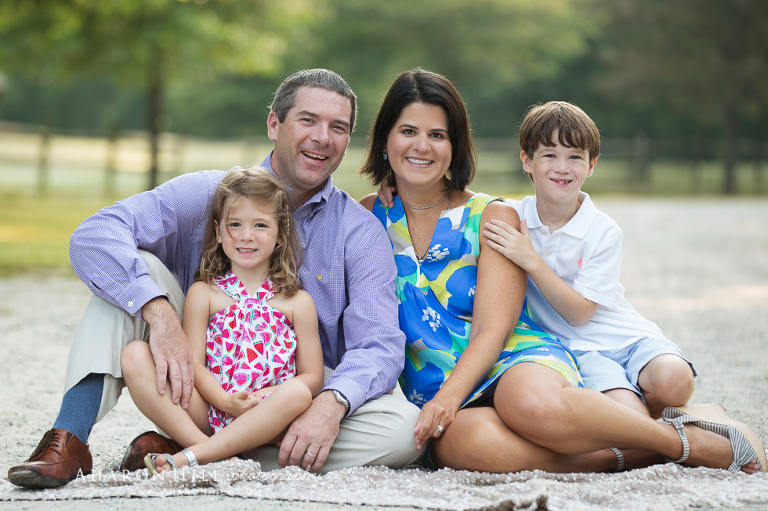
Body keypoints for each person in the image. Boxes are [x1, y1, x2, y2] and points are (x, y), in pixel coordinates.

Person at [8, 69, 422, 489]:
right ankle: (70, 437)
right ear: (274, 124)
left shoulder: (359, 231)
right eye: (308, 120)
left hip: (295, 397)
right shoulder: (208, 193)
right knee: (133, 275)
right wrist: (160, 314)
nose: (322, 138)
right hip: (204, 382)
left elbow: (379, 344)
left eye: (338, 127)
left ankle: (195, 450)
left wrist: (332, 405)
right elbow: (96, 235)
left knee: (404, 431)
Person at [364, 68, 764, 474]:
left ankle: (684, 445)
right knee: (472, 448)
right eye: (408, 131)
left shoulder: (492, 215)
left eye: (437, 135)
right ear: (385, 139)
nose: (422, 146)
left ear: (455, 146)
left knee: (529, 404)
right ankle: (635, 453)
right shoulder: (365, 217)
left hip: (509, 359)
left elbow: (493, 329)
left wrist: (450, 398)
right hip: (432, 384)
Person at [482, 101, 694, 419]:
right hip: (576, 350)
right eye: (549, 155)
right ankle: (641, 415)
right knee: (628, 417)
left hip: (625, 336)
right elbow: (459, 204)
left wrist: (532, 260)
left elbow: (580, 313)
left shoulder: (602, 230)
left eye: (575, 157)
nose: (562, 167)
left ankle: (642, 403)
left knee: (675, 383)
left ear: (591, 164)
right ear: (527, 160)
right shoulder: (510, 216)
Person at [121, 167, 324, 473]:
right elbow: (193, 364)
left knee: (297, 393)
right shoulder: (204, 293)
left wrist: (260, 397)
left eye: (260, 225)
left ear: (281, 233)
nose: (246, 235)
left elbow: (312, 377)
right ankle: (213, 453)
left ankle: (195, 456)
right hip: (210, 409)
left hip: (267, 417)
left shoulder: (297, 301)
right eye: (235, 224)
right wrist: (225, 401)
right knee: (134, 355)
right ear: (218, 232)